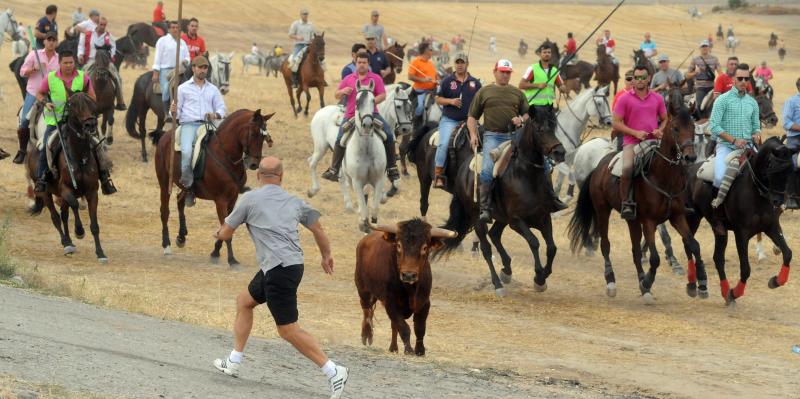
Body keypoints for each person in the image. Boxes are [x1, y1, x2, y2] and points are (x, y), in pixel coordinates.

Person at [211, 156, 349, 399]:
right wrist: (326, 255)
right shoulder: (293, 201)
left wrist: (219, 232)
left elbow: (226, 233)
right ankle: (233, 361)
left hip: (278, 270)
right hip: (289, 266)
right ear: (282, 177)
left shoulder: (249, 199)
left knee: (287, 330)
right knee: (244, 301)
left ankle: (334, 370)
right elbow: (318, 228)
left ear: (257, 176)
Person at [33, 50, 117, 197]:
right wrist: (46, 103)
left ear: (74, 63)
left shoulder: (82, 77)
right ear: (60, 63)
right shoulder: (50, 77)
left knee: (98, 146)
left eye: (71, 62)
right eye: (65, 63)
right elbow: (39, 93)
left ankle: (104, 178)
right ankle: (42, 179)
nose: (68, 65)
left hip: (79, 122)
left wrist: (81, 100)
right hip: (56, 121)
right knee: (46, 146)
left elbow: (92, 96)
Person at [321, 52, 399, 182]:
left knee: (389, 135)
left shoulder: (376, 78)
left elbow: (382, 95)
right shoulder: (348, 79)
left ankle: (392, 167)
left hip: (372, 114)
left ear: (368, 64)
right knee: (340, 139)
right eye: (359, 62)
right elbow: (336, 95)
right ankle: (334, 169)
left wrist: (370, 102)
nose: (361, 65)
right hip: (351, 114)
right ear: (355, 63)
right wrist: (342, 92)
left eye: (364, 62)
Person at [467, 59, 529, 222]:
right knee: (487, 170)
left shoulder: (517, 93)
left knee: (541, 163)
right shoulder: (484, 92)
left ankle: (549, 199)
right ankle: (485, 208)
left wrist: (521, 120)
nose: (505, 75)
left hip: (515, 136)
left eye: (508, 72)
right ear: (494, 72)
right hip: (493, 137)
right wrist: (473, 135)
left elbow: (527, 114)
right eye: (502, 72)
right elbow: (472, 117)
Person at [708, 64, 761, 234]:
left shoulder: (752, 102)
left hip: (749, 147)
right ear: (733, 79)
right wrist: (733, 140)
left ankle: (770, 209)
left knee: (770, 171)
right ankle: (718, 217)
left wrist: (757, 134)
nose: (744, 81)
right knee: (718, 177)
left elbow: (756, 125)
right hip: (726, 146)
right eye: (740, 78)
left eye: (747, 78)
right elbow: (713, 126)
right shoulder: (722, 100)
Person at [168, 55, 226, 206]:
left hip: (209, 125)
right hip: (189, 125)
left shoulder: (213, 89)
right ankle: (188, 187)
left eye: (205, 67)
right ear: (193, 68)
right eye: (200, 67)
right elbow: (177, 113)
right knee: (187, 151)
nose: (203, 70)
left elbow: (221, 108)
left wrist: (215, 114)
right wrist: (173, 111)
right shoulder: (182, 89)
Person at [612, 64, 667, 220]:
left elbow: (665, 119)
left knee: (673, 162)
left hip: (654, 142)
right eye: (637, 78)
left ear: (649, 78)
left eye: (643, 77)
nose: (640, 80)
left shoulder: (658, 98)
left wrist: (660, 130)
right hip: (632, 143)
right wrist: (634, 132)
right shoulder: (624, 99)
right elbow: (616, 123)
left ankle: (677, 198)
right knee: (628, 168)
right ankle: (626, 203)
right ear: (633, 80)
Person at [433, 53, 481, 189]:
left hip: (470, 121)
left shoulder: (475, 83)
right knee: (443, 144)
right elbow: (437, 98)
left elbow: (481, 101)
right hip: (450, 120)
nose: (459, 65)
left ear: (467, 64)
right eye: (457, 62)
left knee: (482, 141)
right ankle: (438, 174)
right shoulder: (447, 81)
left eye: (462, 62)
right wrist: (451, 101)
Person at [14, 31, 60, 165]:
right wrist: (34, 69)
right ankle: (22, 151)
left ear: (56, 42)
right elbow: (22, 71)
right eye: (48, 39)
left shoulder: (58, 59)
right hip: (34, 93)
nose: (51, 42)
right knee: (24, 121)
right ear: (44, 41)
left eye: (53, 40)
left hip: (52, 94)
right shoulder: (34, 55)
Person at [79, 17, 127, 110]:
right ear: (97, 24)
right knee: (82, 76)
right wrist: (80, 54)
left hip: (105, 62)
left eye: (104, 25)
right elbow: (81, 46)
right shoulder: (89, 34)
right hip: (91, 60)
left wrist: (107, 57)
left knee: (117, 78)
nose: (102, 26)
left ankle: (120, 102)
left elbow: (113, 50)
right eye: (101, 24)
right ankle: (80, 99)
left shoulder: (109, 37)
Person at [519, 44, 568, 130]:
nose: (547, 54)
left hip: (549, 108)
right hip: (534, 108)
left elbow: (561, 85)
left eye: (549, 52)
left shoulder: (554, 70)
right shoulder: (533, 68)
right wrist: (537, 85)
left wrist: (562, 88)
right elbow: (521, 85)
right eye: (544, 52)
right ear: (540, 54)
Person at [152, 20, 190, 121]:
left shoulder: (182, 43)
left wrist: (185, 61)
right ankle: (166, 113)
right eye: (173, 27)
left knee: (188, 87)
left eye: (177, 27)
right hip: (166, 69)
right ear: (169, 29)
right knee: (166, 88)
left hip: (180, 70)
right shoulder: (162, 41)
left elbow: (187, 57)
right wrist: (156, 72)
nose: (175, 29)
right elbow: (157, 57)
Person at [686, 40, 721, 117]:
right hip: (700, 87)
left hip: (712, 87)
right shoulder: (695, 60)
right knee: (699, 105)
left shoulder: (715, 59)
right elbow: (687, 75)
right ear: (700, 48)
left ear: (709, 47)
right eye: (703, 46)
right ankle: (700, 120)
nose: (704, 48)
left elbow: (720, 73)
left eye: (706, 46)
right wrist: (695, 72)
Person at [408, 42, 437, 126]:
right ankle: (414, 124)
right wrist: (424, 80)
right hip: (420, 91)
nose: (432, 51)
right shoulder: (415, 62)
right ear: (425, 51)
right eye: (431, 49)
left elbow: (435, 76)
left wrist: (437, 81)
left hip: (432, 90)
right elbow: (410, 77)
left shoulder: (430, 63)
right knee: (420, 107)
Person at [782, 78, 800, 208]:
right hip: (795, 138)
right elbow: (786, 123)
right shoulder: (791, 101)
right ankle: (791, 197)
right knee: (793, 163)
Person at [288, 8, 315, 88]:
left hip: (308, 45)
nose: (305, 16)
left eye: (306, 14)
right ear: (300, 15)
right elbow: (290, 35)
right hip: (298, 45)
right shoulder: (295, 24)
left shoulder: (311, 25)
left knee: (318, 58)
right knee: (295, 60)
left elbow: (313, 36)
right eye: (303, 14)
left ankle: (320, 78)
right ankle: (294, 80)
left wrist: (312, 40)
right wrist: (297, 37)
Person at [612, 70, 635, 151]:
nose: (632, 81)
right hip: (624, 131)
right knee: (621, 149)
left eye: (634, 78)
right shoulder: (619, 95)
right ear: (625, 81)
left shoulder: (641, 94)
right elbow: (615, 115)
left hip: (640, 129)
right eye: (629, 79)